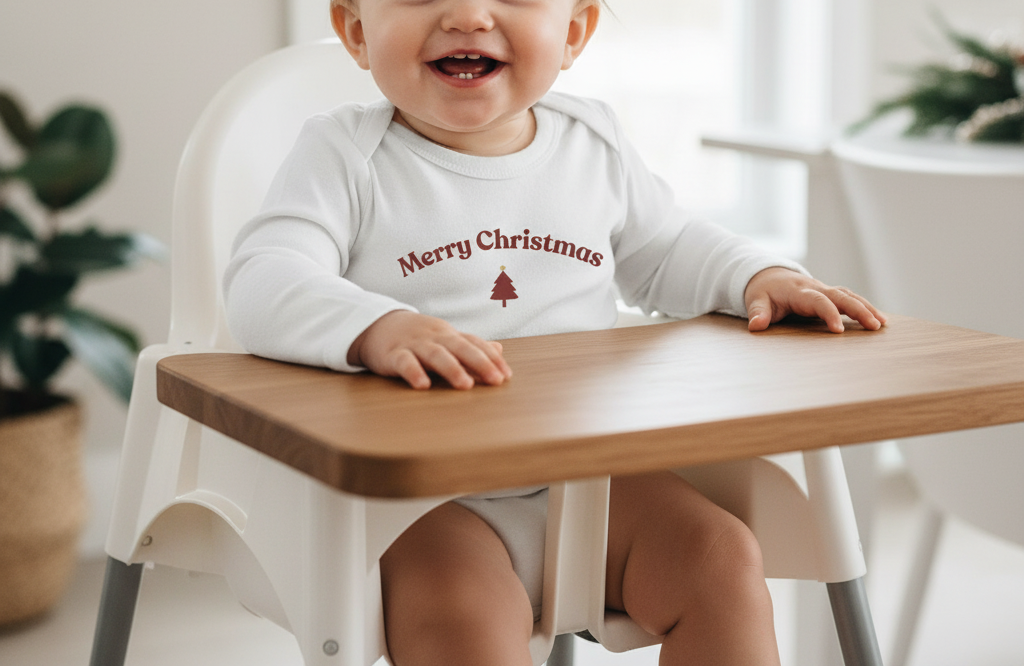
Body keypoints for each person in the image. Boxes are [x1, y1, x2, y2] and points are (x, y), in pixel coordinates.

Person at [224, 0, 886, 663]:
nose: (467, 16)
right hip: (427, 501)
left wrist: (756, 276)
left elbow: (669, 248)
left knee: (723, 558)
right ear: (355, 30)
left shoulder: (591, 143)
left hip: (591, 479)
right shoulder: (344, 157)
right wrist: (374, 326)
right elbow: (263, 277)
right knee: (462, 617)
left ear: (573, 32)